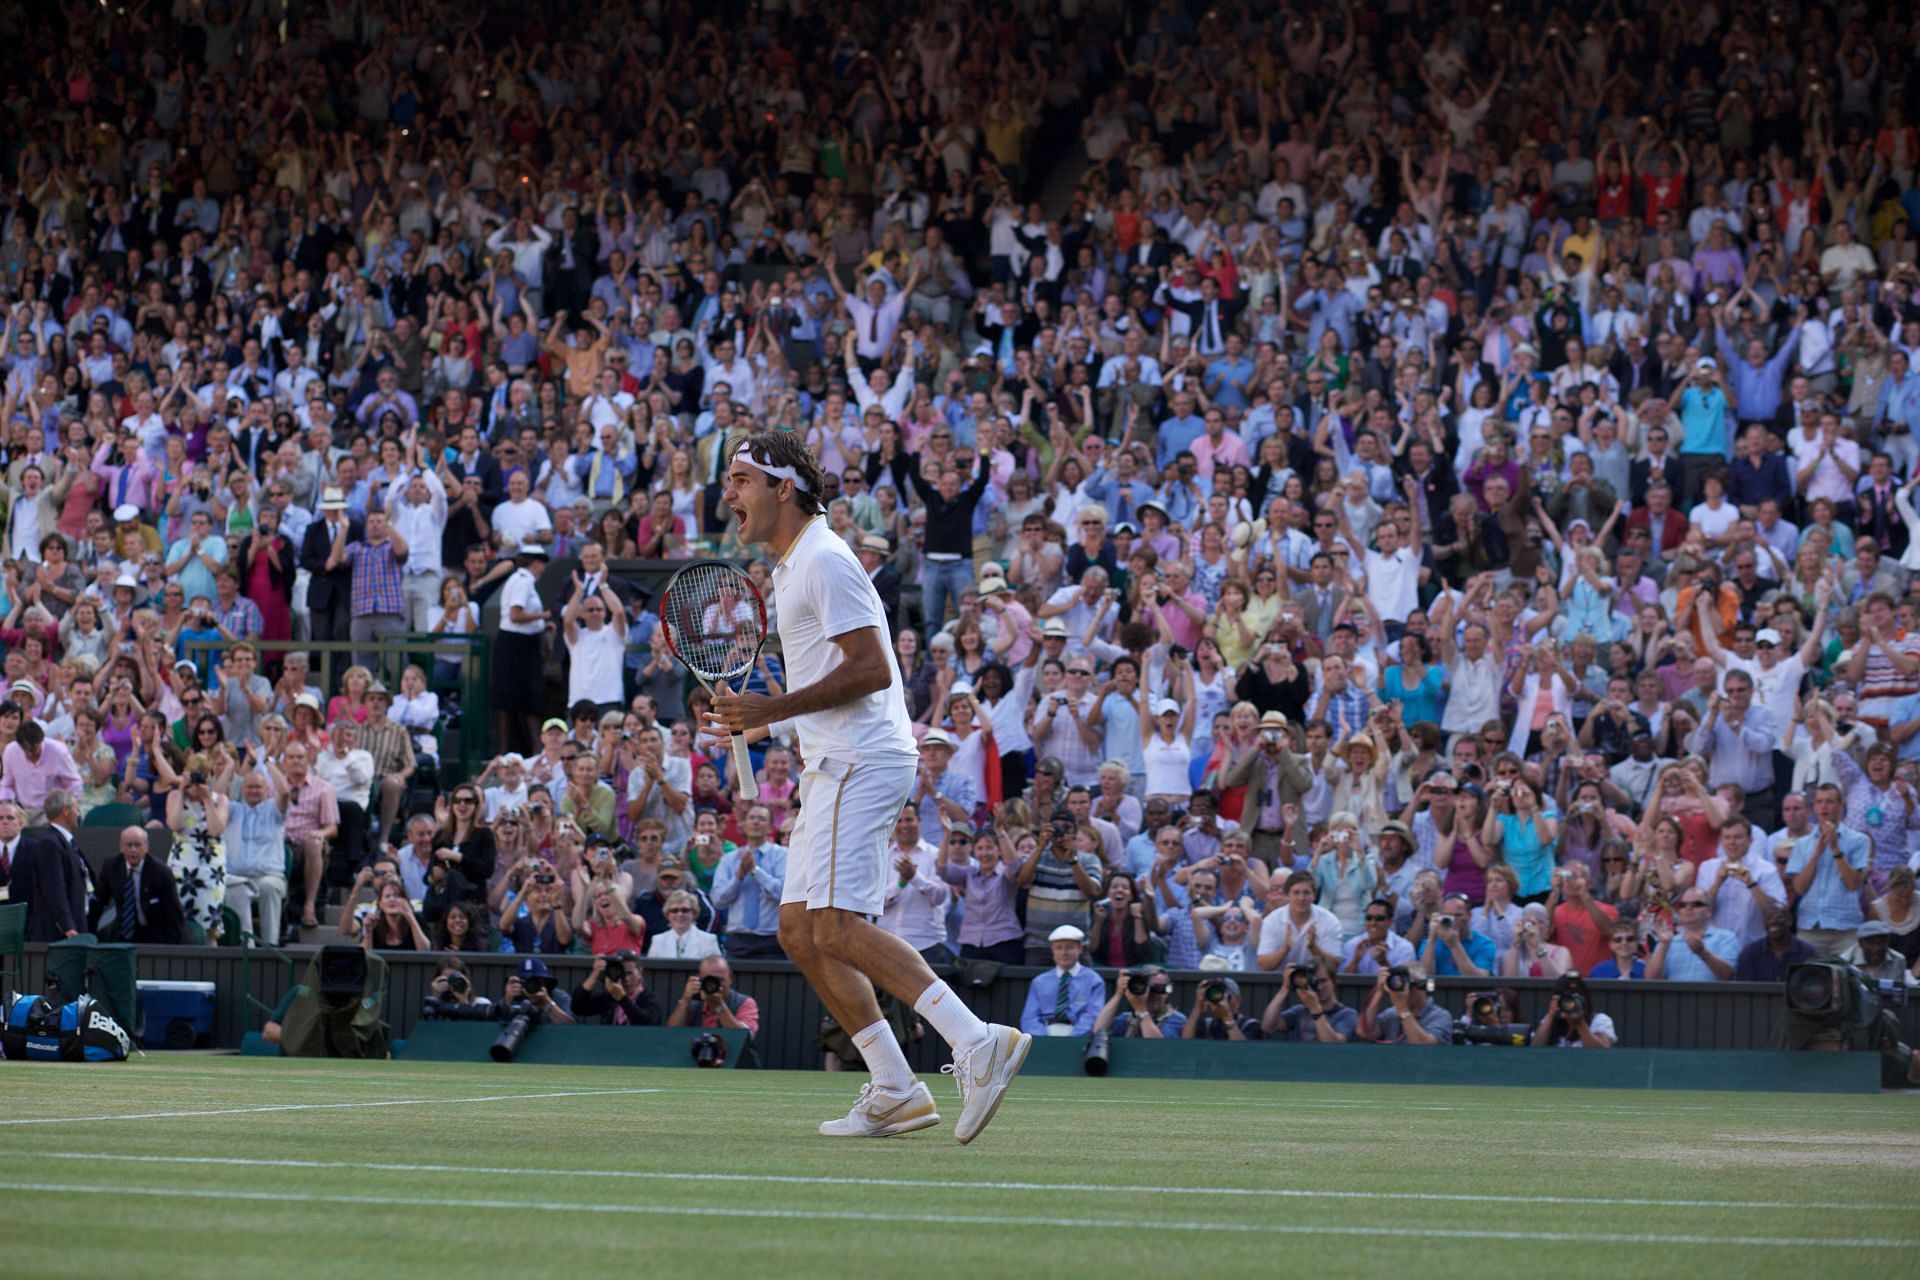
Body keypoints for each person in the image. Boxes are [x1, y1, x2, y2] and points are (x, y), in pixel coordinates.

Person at [707, 431, 1028, 1142]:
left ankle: (975, 1040)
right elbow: (835, 683)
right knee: (798, 929)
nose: (727, 494)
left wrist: (769, 709)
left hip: (860, 758)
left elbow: (873, 670)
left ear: (782, 488)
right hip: (836, 758)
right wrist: (757, 727)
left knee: (837, 926)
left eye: (739, 480)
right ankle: (894, 1086)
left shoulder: (822, 558)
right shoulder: (795, 566)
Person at [88, 825, 186, 945]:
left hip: (154, 935)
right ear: (121, 847)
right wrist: (89, 934)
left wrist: (174, 948)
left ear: (146, 847)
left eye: (138, 845)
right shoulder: (111, 867)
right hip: (122, 933)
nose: (133, 850)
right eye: (129, 845)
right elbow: (98, 901)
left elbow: (173, 912)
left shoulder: (161, 872)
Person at [1017, 924, 1107, 1038]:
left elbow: (1093, 1016)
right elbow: (1029, 1018)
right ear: (1052, 949)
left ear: (1080, 948)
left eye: (1069, 947)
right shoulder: (1039, 982)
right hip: (1044, 1035)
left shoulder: (1094, 981)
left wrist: (1072, 1040)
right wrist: (1044, 1040)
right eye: (1059, 947)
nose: (1064, 952)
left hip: (1080, 1038)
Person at [1261, 958, 1360, 1042]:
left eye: (1323, 981)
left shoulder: (1347, 1014)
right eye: (1314, 982)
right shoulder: (1299, 1011)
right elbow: (1267, 1026)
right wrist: (1285, 988)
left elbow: (1333, 1045)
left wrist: (1315, 1009)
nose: (1319, 987)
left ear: (1334, 982)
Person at [1358, 963, 1453, 1044]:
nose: (1403, 992)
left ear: (1420, 986)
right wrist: (1379, 991)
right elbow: (1365, 1032)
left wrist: (1402, 1008)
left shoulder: (1440, 1016)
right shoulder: (1392, 1013)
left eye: (1406, 986)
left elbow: (1423, 1047)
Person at [665, 955, 760, 1036]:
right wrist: (685, 1000)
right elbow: (671, 1034)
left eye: (720, 980)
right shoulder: (694, 1004)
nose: (715, 985)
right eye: (709, 980)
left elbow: (742, 1037)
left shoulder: (745, 1003)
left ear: (730, 978)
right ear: (700, 979)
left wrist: (719, 1006)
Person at [1091, 963, 1187, 1039]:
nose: (1152, 995)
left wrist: (1141, 1010)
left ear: (1166, 993)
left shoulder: (1176, 1020)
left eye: (1158, 988)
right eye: (1146, 989)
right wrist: (1119, 993)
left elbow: (1158, 1048)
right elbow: (1098, 1030)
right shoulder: (1127, 1019)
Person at [572, 952, 664, 1025]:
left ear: (640, 972)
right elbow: (578, 1007)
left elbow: (646, 1022)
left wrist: (622, 999)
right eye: (622, 973)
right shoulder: (609, 997)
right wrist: (595, 974)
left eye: (629, 973)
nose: (626, 979)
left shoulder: (650, 998)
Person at [1179, 976, 1263, 1040]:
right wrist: (1198, 1005)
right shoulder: (1207, 1024)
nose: (1220, 998)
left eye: (1226, 996)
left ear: (1238, 1000)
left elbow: (1243, 1052)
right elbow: (1186, 1043)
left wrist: (1227, 1017)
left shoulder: (1251, 1025)